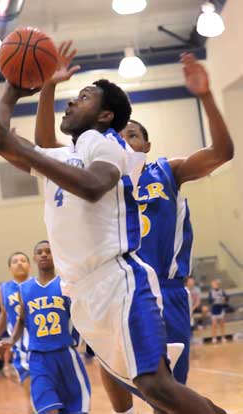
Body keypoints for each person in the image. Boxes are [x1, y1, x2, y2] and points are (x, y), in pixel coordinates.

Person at [0, 41, 227, 414]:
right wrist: (12, 89)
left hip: (119, 281)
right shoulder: (67, 155)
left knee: (159, 387)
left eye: (84, 96)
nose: (72, 102)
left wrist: (22, 147)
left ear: (107, 116)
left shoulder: (108, 145)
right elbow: (7, 143)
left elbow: (94, 185)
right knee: (158, 392)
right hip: (82, 293)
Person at [99, 53, 233, 414]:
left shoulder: (166, 172)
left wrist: (205, 96)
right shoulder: (102, 182)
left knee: (171, 397)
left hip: (166, 292)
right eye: (119, 136)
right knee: (118, 375)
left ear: (147, 145)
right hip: (122, 292)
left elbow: (222, 152)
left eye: (133, 134)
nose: (126, 141)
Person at [0, 240, 91, 414]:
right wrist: (11, 339)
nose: (44, 254)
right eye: (40, 252)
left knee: (77, 408)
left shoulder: (66, 284)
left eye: (48, 251)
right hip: (38, 357)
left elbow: (80, 316)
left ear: (55, 255)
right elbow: (21, 320)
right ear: (34, 258)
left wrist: (81, 341)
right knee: (46, 408)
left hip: (65, 354)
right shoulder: (25, 289)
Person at [0, 252, 30, 383]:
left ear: (29, 266)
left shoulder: (37, 284)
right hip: (19, 345)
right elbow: (4, 314)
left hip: (39, 342)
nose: (19, 263)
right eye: (15, 261)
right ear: (9, 268)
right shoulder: (4, 288)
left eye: (23, 260)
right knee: (29, 390)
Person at [209, 279, 228, 344]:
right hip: (214, 309)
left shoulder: (222, 291)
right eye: (213, 285)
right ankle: (214, 338)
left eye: (215, 284)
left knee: (222, 324)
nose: (214, 286)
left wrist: (224, 299)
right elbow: (210, 301)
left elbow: (226, 298)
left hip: (221, 308)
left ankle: (223, 337)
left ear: (218, 285)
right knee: (214, 325)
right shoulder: (211, 292)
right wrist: (213, 300)